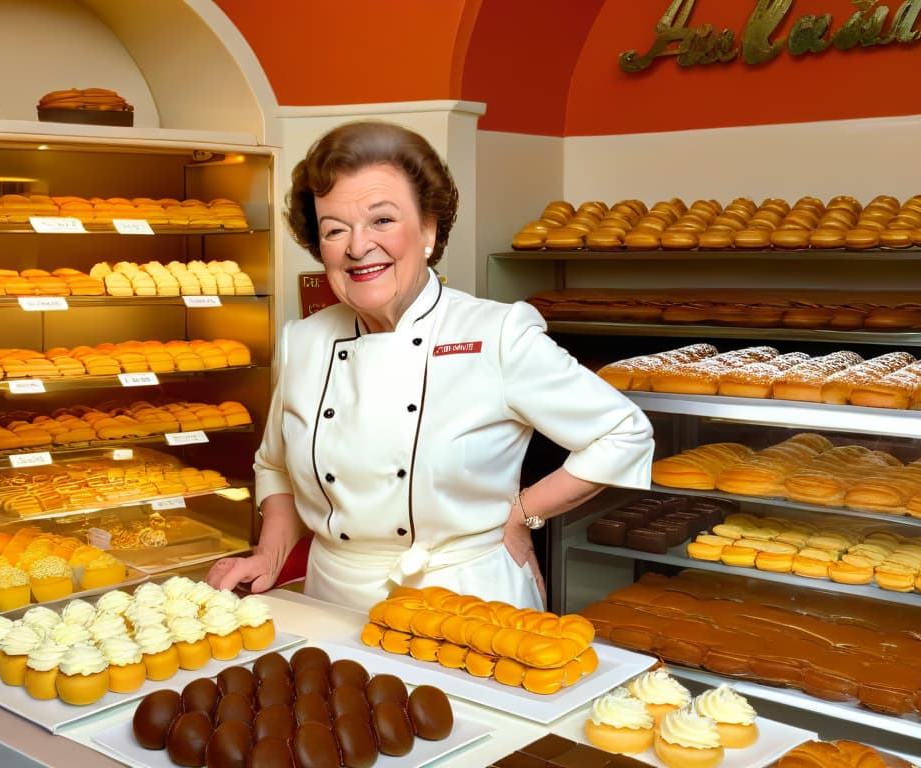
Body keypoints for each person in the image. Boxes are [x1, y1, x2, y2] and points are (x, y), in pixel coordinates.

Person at [207, 120, 654, 612]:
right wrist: (270, 555)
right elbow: (274, 465)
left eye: (382, 220)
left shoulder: (496, 333)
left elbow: (623, 432)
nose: (358, 247)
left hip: (465, 599)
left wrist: (523, 513)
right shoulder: (305, 341)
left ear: (428, 229)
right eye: (335, 229)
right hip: (334, 600)